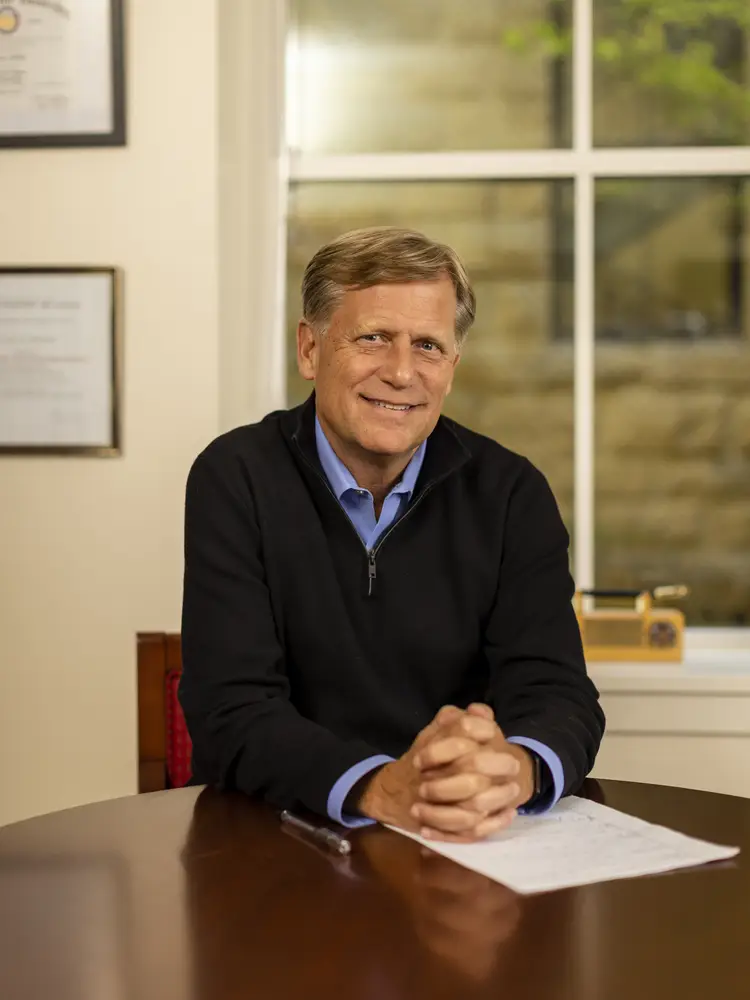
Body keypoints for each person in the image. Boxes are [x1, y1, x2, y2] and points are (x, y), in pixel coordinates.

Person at [180, 227, 604, 844]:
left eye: (428, 346)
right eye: (373, 338)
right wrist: (382, 787)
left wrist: (515, 770)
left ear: (451, 369)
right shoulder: (234, 476)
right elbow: (231, 712)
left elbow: (558, 691)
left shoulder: (512, 492)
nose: (402, 372)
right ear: (309, 348)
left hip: (467, 840)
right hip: (279, 843)